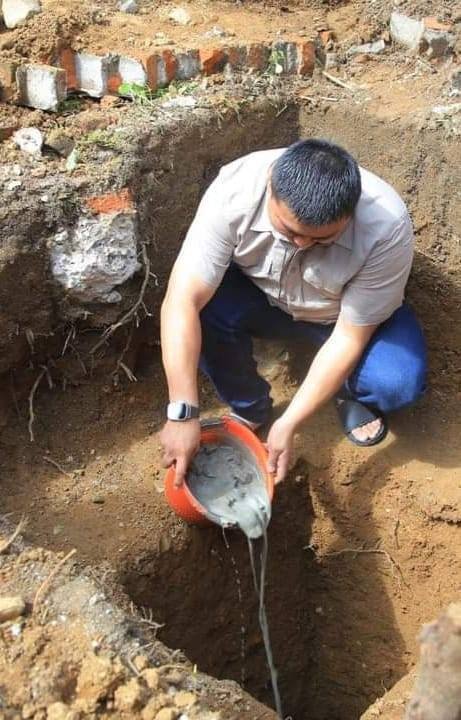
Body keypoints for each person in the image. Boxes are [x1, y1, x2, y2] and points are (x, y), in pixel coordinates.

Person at [159, 139, 427, 485]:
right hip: (263, 298)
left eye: (321, 240)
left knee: (396, 383)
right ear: (271, 186)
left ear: (351, 212)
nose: (302, 245)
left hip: (339, 318)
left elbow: (349, 335)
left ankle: (344, 389)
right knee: (205, 307)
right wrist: (183, 412)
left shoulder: (386, 226)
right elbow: (182, 299)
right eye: (289, 232)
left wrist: (290, 422)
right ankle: (249, 406)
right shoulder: (236, 188)